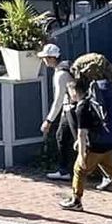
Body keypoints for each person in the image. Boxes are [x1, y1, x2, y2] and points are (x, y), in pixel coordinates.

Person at [59, 77, 112, 217]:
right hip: (107, 145)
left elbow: (82, 133)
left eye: (68, 91)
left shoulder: (81, 107)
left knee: (78, 170)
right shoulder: (93, 102)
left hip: (95, 148)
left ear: (74, 91)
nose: (68, 94)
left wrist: (81, 154)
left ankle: (76, 200)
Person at [38, 43, 75, 180]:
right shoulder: (65, 68)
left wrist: (48, 120)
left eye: (45, 58)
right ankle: (64, 170)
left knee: (78, 140)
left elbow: (58, 100)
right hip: (70, 108)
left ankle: (104, 173)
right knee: (62, 137)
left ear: (52, 58)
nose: (44, 60)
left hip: (71, 109)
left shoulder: (60, 74)